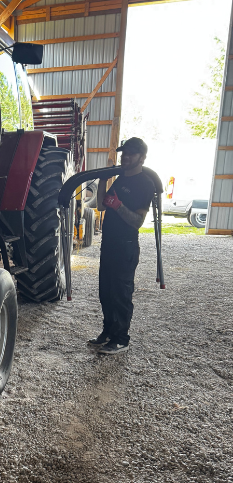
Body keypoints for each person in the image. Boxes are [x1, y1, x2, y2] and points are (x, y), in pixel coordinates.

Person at [88, 137, 155, 355]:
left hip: (125, 246)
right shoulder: (120, 180)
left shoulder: (145, 183)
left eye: (131, 154)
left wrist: (118, 205)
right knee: (105, 292)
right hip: (109, 243)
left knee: (121, 293)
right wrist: (102, 182)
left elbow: (137, 221)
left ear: (142, 157)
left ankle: (121, 338)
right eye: (123, 153)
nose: (125, 157)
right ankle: (108, 332)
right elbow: (100, 205)